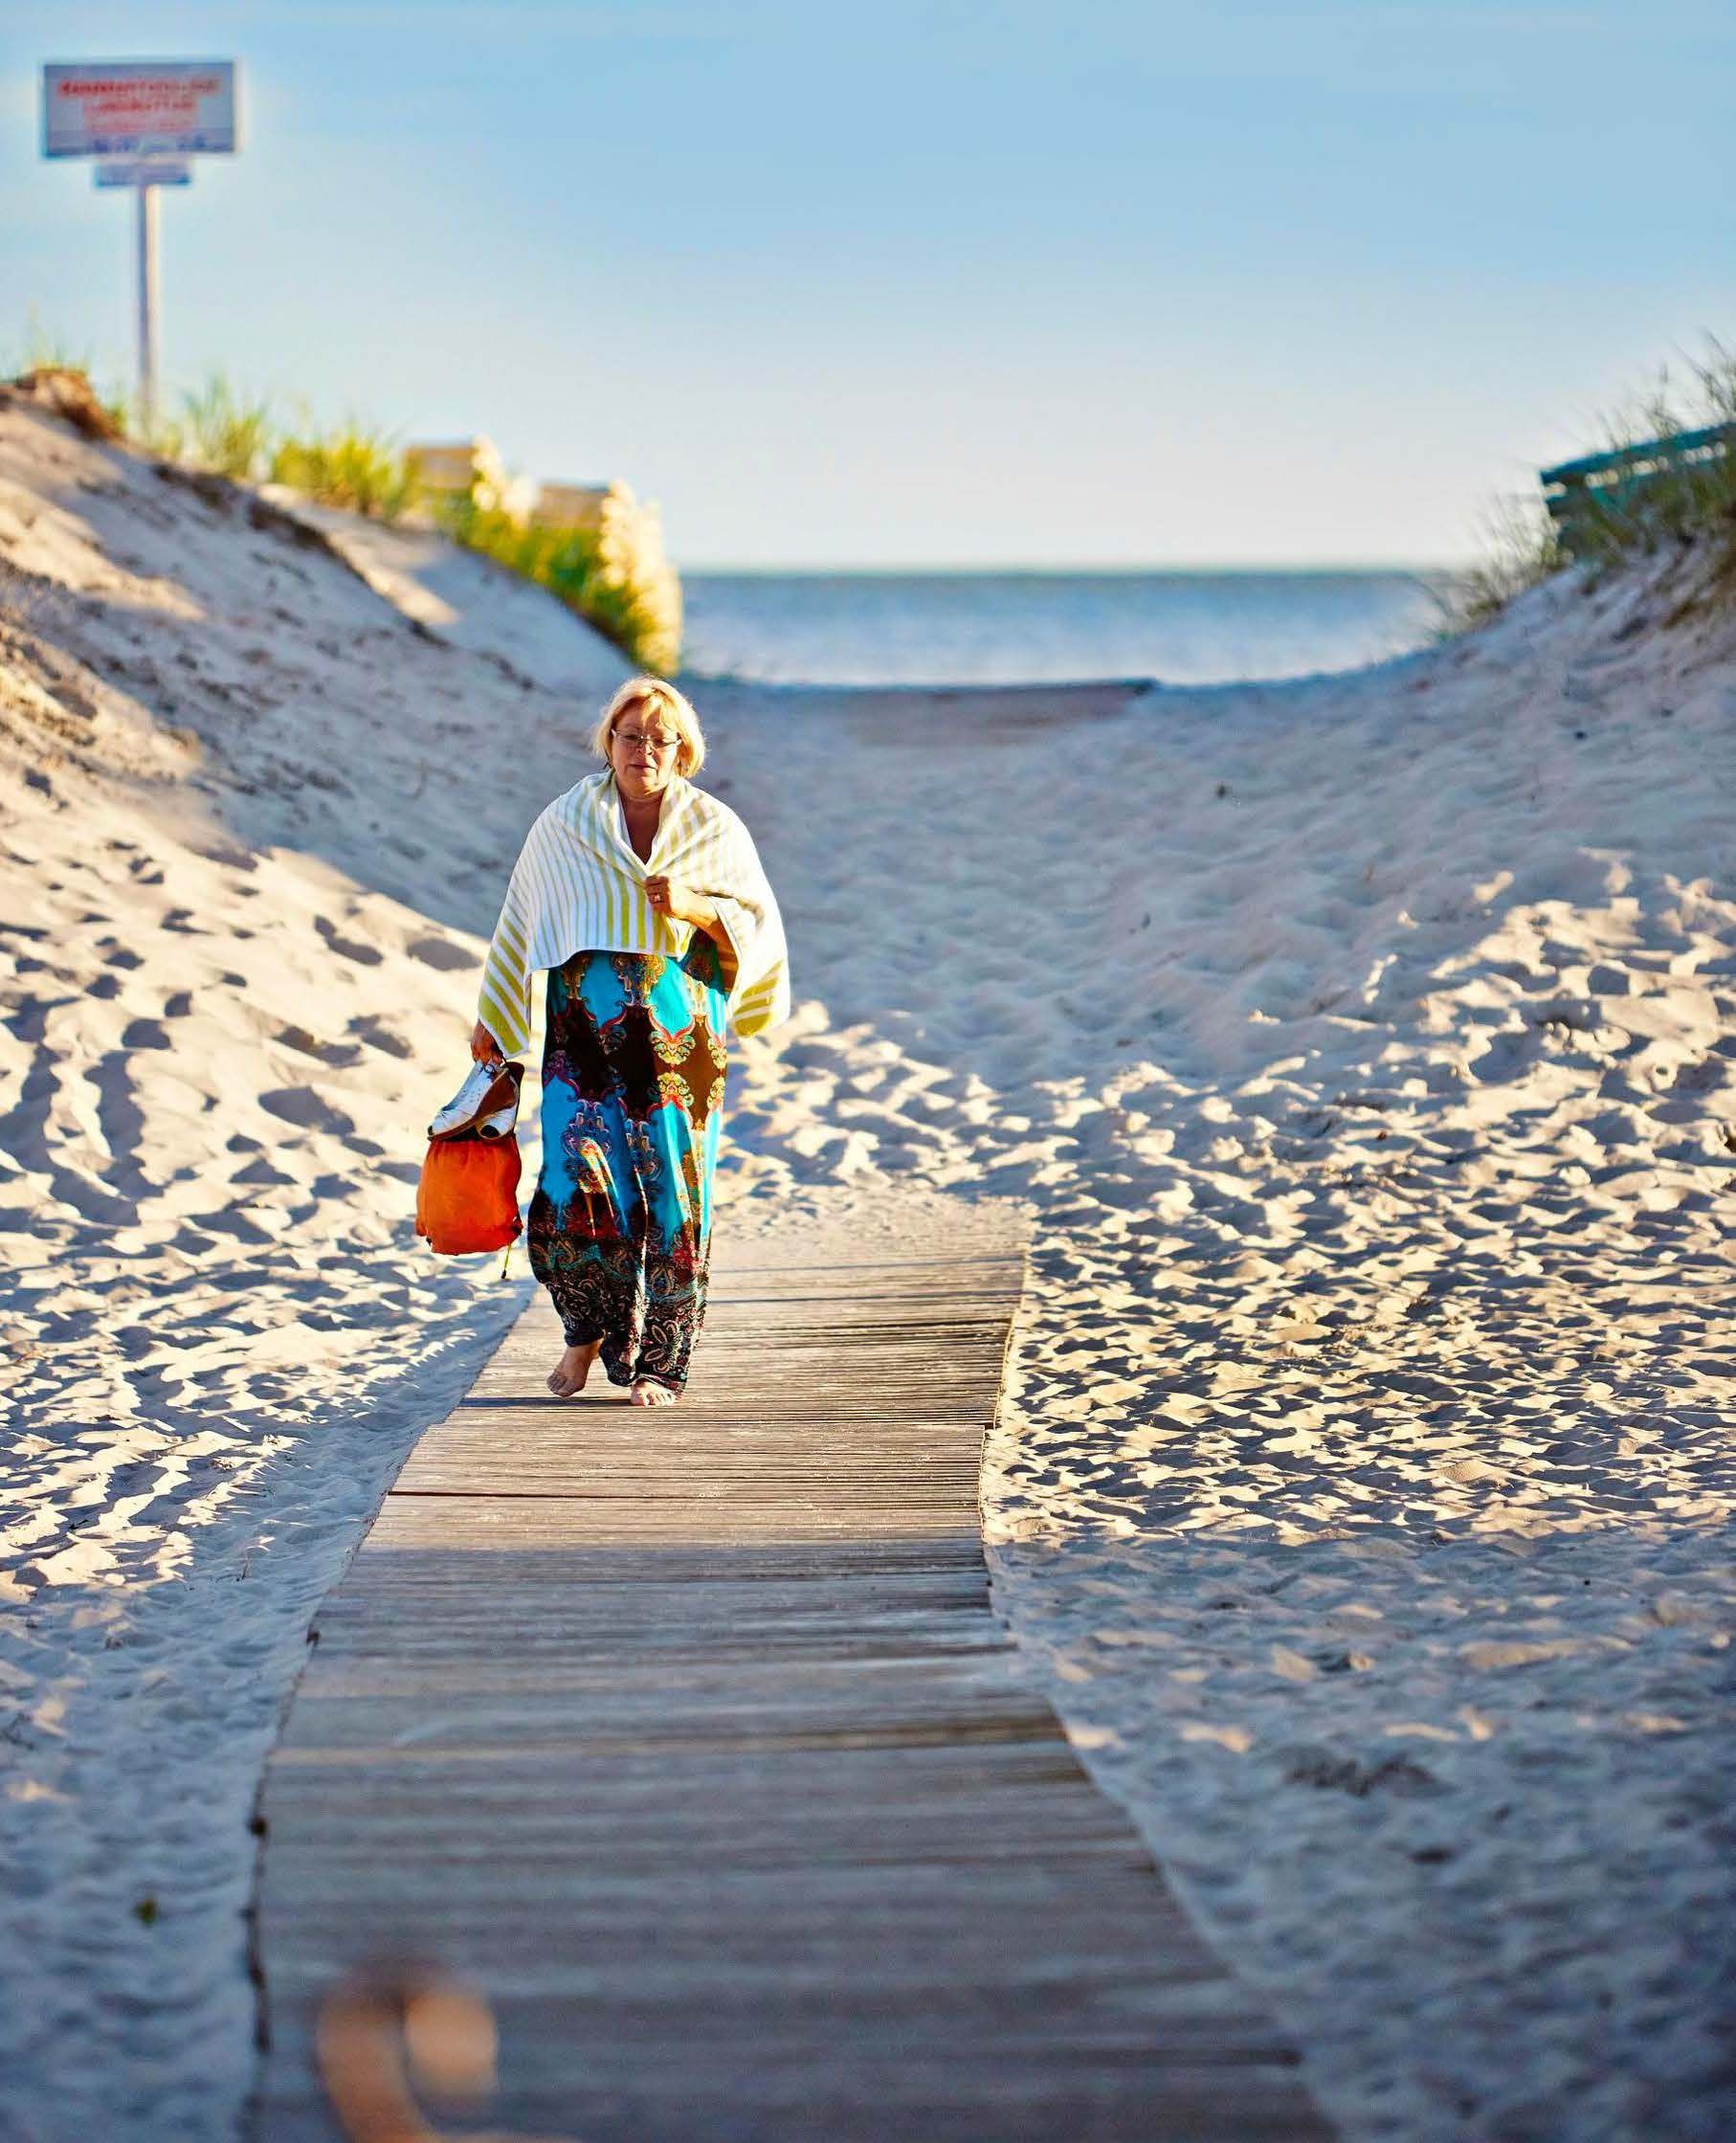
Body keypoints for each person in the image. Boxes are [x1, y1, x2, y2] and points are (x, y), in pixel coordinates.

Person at [470, 677, 789, 1405]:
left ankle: (660, 1363)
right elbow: (520, 918)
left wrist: (696, 905)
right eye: (631, 733)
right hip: (581, 1039)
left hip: (681, 1044)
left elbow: (760, 926)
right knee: (574, 1185)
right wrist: (494, 1014)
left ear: (685, 752)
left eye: (661, 737)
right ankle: (585, 1336)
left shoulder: (714, 828)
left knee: (676, 1191)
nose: (645, 748)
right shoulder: (566, 823)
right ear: (608, 740)